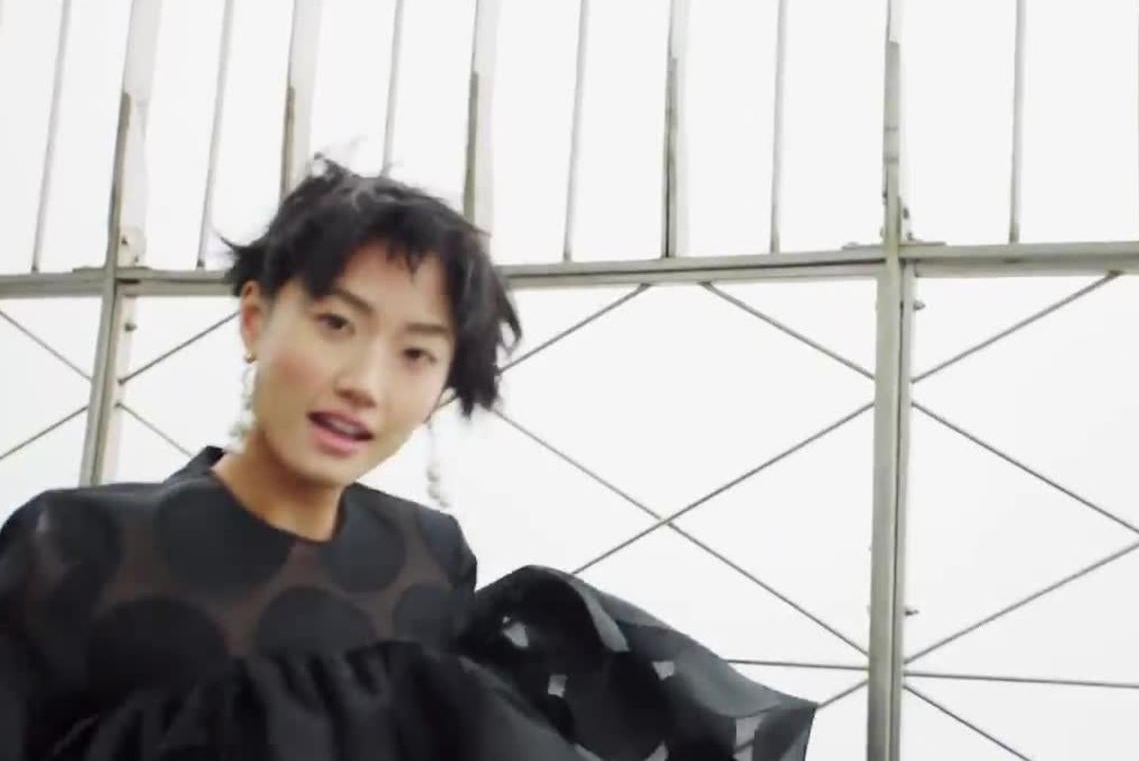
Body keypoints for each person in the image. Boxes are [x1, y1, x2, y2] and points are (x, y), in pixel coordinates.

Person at [0, 159, 815, 760]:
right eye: (336, 325)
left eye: (417, 354)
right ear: (255, 319)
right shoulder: (71, 545)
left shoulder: (431, 557)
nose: (365, 383)